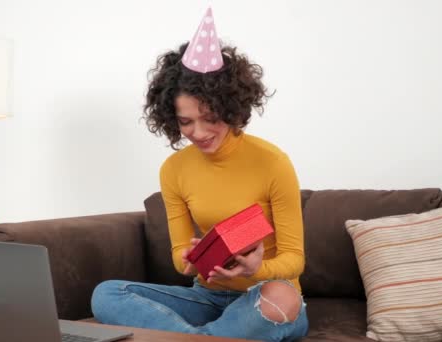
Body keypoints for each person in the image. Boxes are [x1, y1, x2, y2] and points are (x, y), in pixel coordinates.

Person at [91, 7, 308, 341]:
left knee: (282, 297)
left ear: (232, 108)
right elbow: (179, 254)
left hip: (264, 295)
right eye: (185, 121)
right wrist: (190, 261)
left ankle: (189, 337)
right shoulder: (174, 169)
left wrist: (257, 269)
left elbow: (294, 259)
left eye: (209, 118)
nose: (199, 132)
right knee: (106, 294)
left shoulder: (273, 162)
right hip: (207, 296)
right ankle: (212, 337)